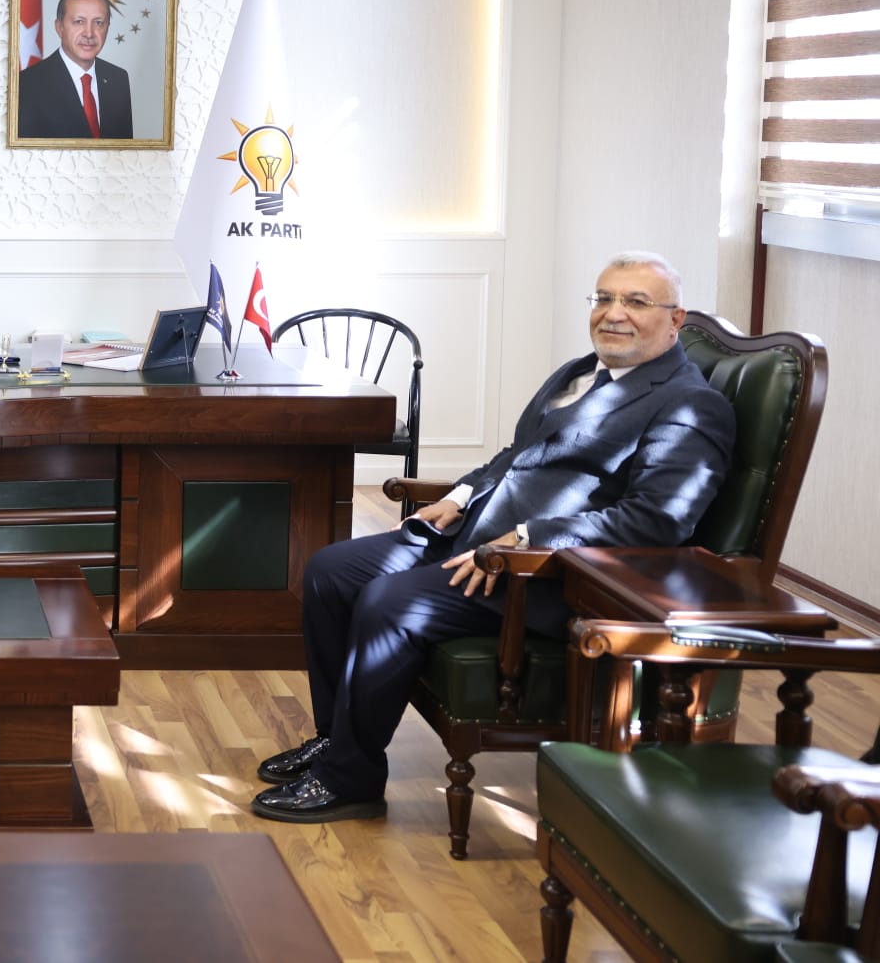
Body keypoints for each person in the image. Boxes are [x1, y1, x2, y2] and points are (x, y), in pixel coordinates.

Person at [250, 251, 738, 824]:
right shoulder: (580, 371)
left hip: (553, 575)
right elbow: (517, 455)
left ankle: (350, 779)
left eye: (635, 302)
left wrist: (529, 538)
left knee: (389, 601)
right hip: (477, 536)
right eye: (604, 298)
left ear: (675, 320)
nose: (613, 313)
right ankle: (336, 740)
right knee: (330, 572)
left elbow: (655, 521)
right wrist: (459, 497)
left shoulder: (689, 404)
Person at [15, 0, 134, 140]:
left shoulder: (118, 79)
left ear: (107, 27)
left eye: (98, 23)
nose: (89, 33)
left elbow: (124, 150)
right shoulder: (26, 84)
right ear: (59, 28)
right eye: (79, 22)